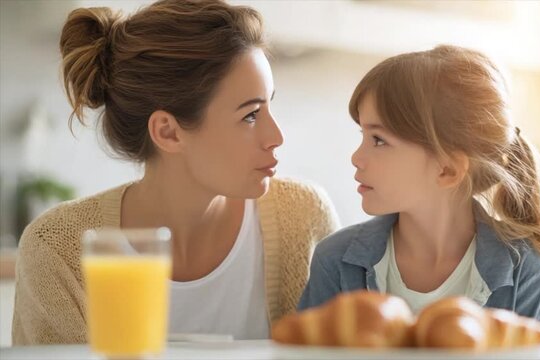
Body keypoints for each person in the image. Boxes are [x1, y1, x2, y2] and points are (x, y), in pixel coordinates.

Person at [13, 0, 339, 345]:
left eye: (269, 105)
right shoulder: (56, 251)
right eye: (250, 115)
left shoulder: (303, 218)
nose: (277, 137)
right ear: (168, 132)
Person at [298, 45, 540, 322]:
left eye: (379, 140)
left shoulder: (523, 266)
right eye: (363, 135)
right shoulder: (334, 260)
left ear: (448, 170)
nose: (356, 157)